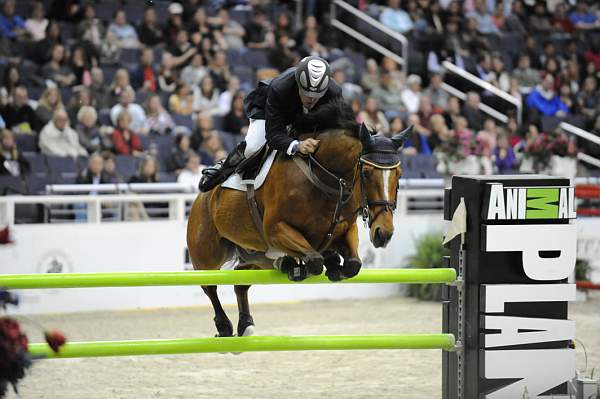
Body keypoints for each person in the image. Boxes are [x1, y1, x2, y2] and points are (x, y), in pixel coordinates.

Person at [199, 55, 342, 192]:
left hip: (301, 115)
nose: (311, 99)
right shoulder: (280, 87)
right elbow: (273, 136)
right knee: (252, 147)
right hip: (268, 109)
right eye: (306, 93)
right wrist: (297, 145)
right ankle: (224, 168)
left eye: (316, 96)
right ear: (298, 83)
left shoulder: (334, 92)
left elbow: (335, 128)